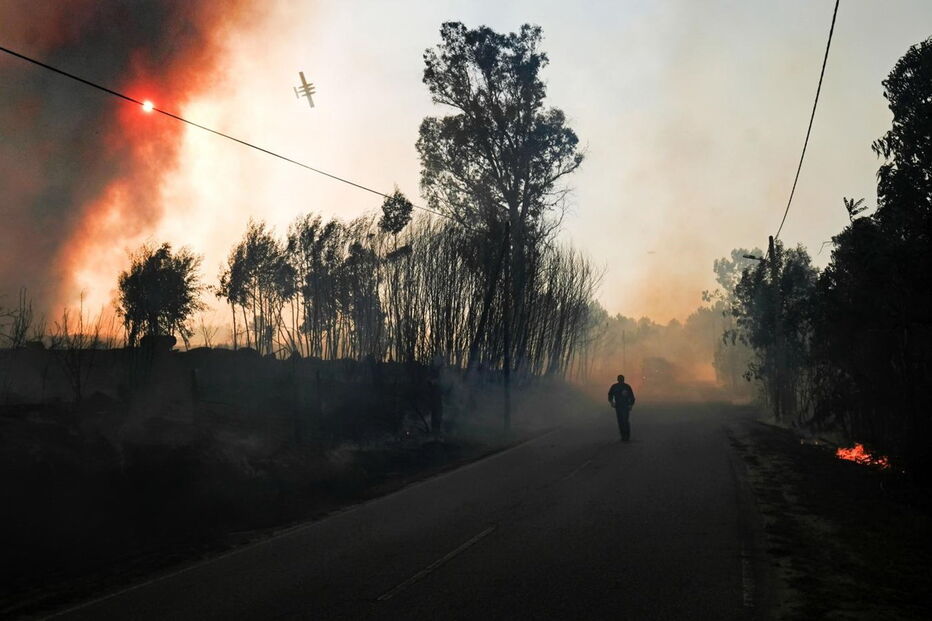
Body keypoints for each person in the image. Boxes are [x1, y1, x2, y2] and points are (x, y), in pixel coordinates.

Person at [608, 374, 636, 441]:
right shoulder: (622, 387)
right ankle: (624, 436)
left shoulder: (621, 387)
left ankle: (626, 436)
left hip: (624, 406)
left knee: (624, 421)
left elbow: (631, 397)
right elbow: (610, 395)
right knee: (622, 421)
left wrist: (630, 405)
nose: (620, 381)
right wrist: (612, 402)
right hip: (620, 406)